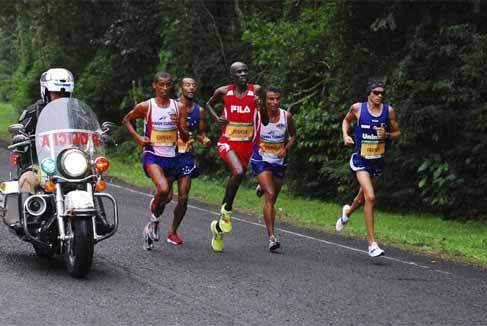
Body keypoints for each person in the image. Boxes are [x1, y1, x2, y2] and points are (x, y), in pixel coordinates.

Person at [122, 71, 188, 251]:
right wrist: (138, 138)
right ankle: (154, 211)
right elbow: (126, 119)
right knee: (164, 189)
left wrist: (179, 127)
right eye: (161, 85)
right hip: (152, 154)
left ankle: (153, 223)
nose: (164, 88)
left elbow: (185, 134)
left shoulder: (178, 107)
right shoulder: (146, 106)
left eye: (168, 85)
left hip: (171, 156)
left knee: (166, 199)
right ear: (154, 86)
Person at [336, 80, 401, 257]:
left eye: (382, 93)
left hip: (377, 161)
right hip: (360, 161)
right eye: (376, 92)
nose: (379, 95)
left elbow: (398, 134)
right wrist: (345, 135)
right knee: (370, 197)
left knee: (361, 198)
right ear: (369, 93)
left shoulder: (388, 111)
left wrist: (387, 135)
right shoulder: (358, 108)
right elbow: (345, 120)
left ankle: (347, 212)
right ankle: (372, 244)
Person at [206, 62, 261, 252]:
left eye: (246, 71)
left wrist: (261, 108)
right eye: (239, 72)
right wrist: (216, 118)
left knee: (240, 175)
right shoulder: (223, 92)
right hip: (227, 141)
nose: (243, 74)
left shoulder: (256, 91)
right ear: (232, 76)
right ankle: (227, 211)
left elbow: (267, 116)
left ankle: (219, 228)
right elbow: (208, 104)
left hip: (247, 145)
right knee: (237, 172)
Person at [251, 86, 297, 251]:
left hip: (278, 161)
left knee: (272, 198)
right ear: (265, 100)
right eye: (270, 99)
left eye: (277, 98)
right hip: (261, 159)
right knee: (270, 195)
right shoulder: (257, 115)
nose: (274, 102)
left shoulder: (286, 116)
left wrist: (286, 149)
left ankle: (262, 186)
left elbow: (293, 136)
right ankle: (271, 238)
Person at [167, 77, 211, 245]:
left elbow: (200, 132)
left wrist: (204, 139)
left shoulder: (199, 111)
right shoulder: (172, 106)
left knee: (184, 197)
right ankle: (155, 214)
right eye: (187, 85)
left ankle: (173, 232)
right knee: (167, 195)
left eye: (193, 85)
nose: (191, 87)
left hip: (186, 156)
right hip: (169, 154)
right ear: (181, 88)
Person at [19, 68, 75, 138]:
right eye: (56, 93)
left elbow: (87, 130)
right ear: (47, 93)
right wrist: (19, 137)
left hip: (70, 148)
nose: (60, 96)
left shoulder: (74, 112)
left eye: (64, 93)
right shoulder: (35, 111)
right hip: (39, 148)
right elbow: (20, 131)